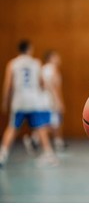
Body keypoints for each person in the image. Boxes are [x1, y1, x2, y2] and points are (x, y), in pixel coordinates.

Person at [0, 40, 58, 168]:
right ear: (29, 49)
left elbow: (8, 84)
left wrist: (5, 101)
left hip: (19, 101)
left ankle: (2, 155)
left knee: (13, 128)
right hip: (34, 101)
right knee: (41, 128)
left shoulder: (12, 64)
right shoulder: (36, 63)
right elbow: (42, 83)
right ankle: (49, 154)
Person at [23, 50, 66, 153]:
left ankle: (37, 140)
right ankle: (36, 140)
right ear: (50, 58)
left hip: (41, 99)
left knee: (49, 122)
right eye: (56, 56)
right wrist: (58, 100)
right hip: (50, 100)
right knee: (53, 123)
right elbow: (54, 86)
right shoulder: (53, 69)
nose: (59, 58)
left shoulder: (42, 68)